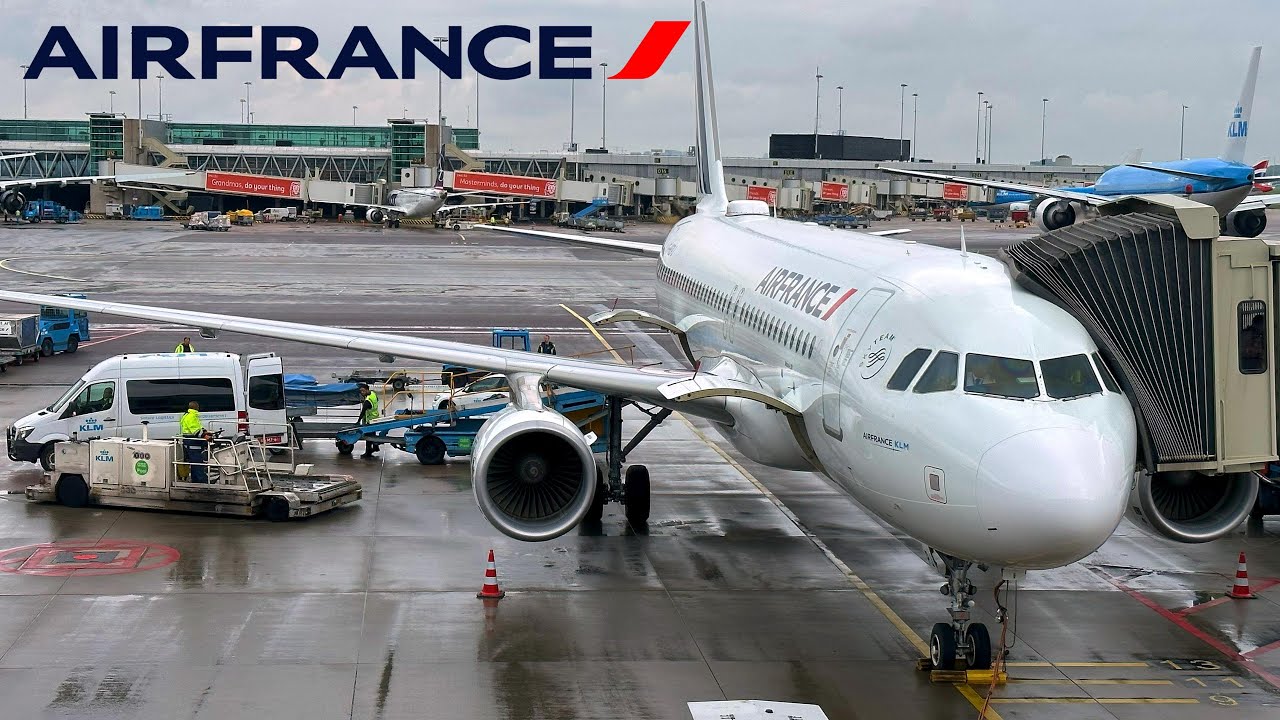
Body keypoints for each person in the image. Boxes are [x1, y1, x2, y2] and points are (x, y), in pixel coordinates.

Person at [180, 401, 211, 483]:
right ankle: (202, 480)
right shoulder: (192, 416)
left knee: (195, 463)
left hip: (190, 442)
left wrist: (205, 431)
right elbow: (195, 430)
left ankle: (196, 480)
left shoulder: (188, 415)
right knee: (197, 463)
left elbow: (198, 427)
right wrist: (206, 436)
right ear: (196, 407)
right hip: (193, 443)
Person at [358, 383, 381, 458]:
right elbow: (377, 400)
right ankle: (375, 447)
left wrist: (358, 421)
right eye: (361, 391)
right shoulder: (373, 394)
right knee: (372, 434)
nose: (362, 393)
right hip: (375, 417)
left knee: (368, 437)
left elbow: (363, 412)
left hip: (370, 420)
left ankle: (368, 452)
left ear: (367, 390)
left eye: (363, 391)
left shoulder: (367, 401)